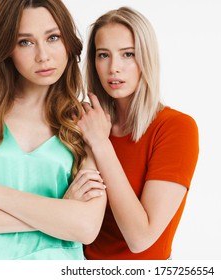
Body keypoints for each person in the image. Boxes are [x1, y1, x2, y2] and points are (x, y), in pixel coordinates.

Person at [0, 0, 106, 260]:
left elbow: (85, 227)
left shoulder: (85, 121)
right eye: (25, 42)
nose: (43, 55)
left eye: (53, 37)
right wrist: (59, 214)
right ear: (6, 48)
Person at [78, 6, 199, 260]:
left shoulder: (176, 128)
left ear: (146, 58)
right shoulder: (87, 124)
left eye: (128, 54)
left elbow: (140, 238)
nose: (114, 67)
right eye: (103, 55)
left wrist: (100, 144)